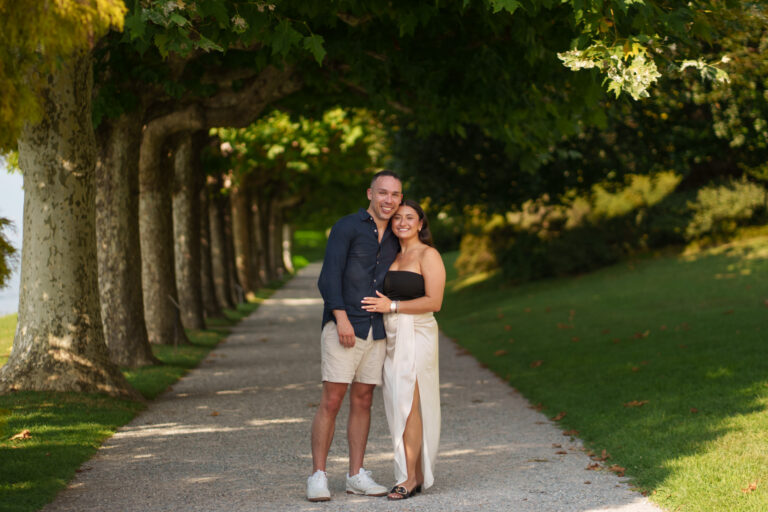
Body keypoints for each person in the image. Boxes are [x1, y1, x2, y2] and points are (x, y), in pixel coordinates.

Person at [308, 170, 403, 502]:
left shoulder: (396, 234)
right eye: (382, 193)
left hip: (377, 330)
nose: (388, 200)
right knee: (332, 400)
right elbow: (328, 276)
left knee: (363, 400)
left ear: (400, 199)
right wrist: (340, 317)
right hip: (344, 326)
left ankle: (355, 476)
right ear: (370, 194)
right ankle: (318, 476)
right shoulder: (347, 226)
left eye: (394, 194)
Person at [361, 199, 445, 500]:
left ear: (421, 223)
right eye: (397, 217)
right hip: (393, 334)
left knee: (408, 404)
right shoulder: (392, 255)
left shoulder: (428, 254)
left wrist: (392, 305)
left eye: (410, 217)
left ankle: (408, 478)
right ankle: (417, 473)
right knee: (399, 403)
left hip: (417, 333)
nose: (403, 222)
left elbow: (434, 302)